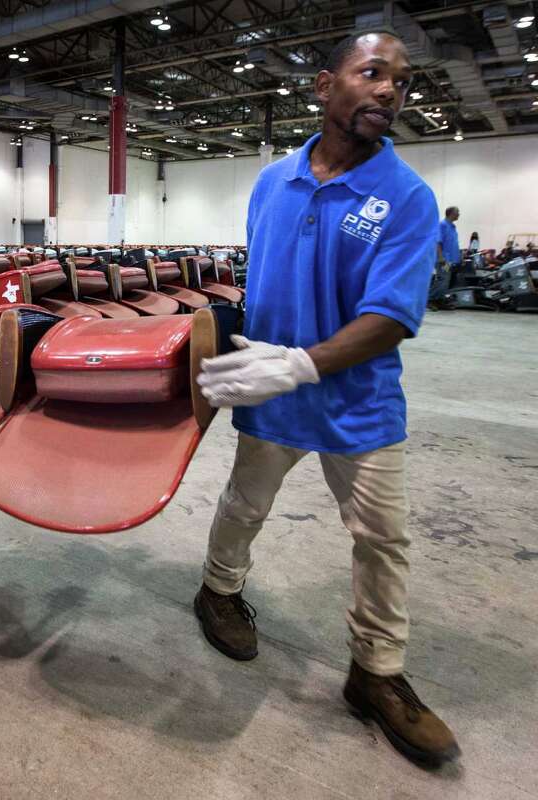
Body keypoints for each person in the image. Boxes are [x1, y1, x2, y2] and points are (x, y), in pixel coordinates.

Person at [192, 31, 460, 766]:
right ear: (323, 86)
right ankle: (217, 591)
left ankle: (375, 674)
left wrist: (301, 365)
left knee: (382, 539)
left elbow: (391, 317)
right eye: (372, 73)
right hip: (273, 388)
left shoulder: (407, 197)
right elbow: (263, 281)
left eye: (400, 82)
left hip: (359, 402)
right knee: (243, 505)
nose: (388, 91)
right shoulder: (271, 183)